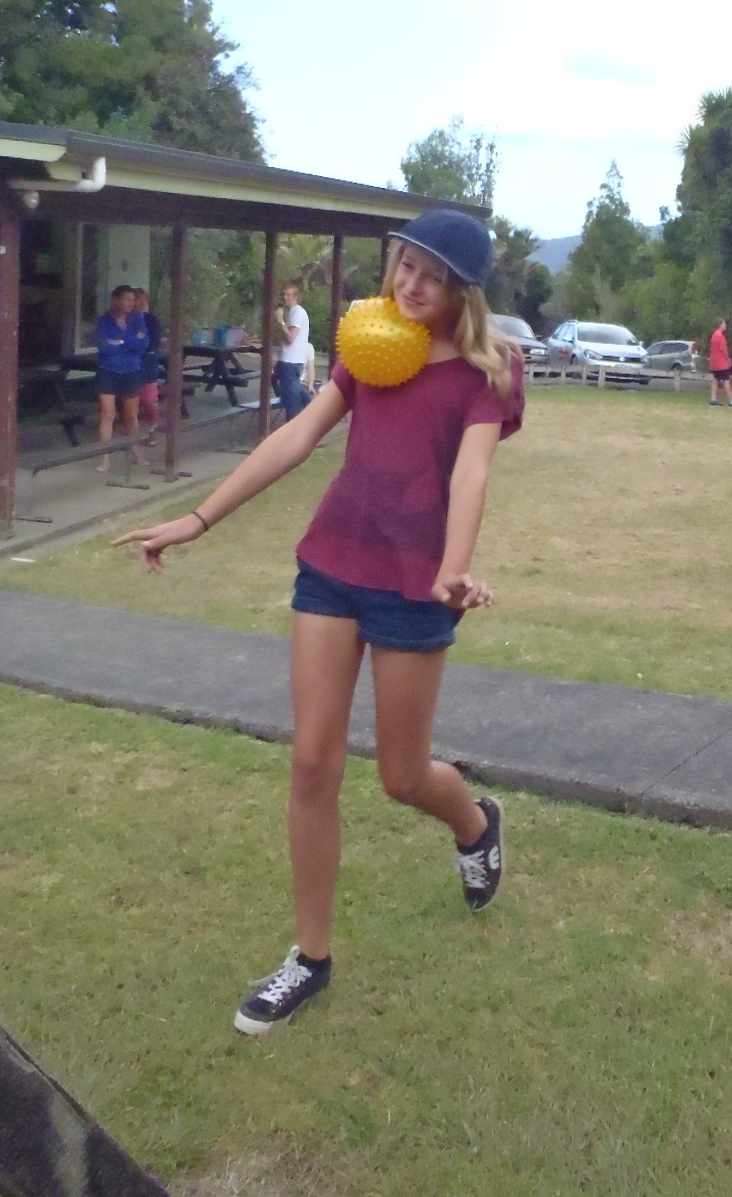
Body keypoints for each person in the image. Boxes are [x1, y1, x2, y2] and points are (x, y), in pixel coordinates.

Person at [115, 211, 524, 1035]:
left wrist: (454, 566)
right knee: (311, 762)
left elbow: (471, 474)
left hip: (415, 586)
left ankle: (476, 824)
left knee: (401, 777)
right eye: (405, 265)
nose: (411, 284)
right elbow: (298, 435)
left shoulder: (489, 369)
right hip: (332, 566)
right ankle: (310, 958)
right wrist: (199, 518)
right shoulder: (372, 346)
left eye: (432, 275)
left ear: (463, 291)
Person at [94, 284, 150, 472]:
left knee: (131, 416)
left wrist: (120, 341)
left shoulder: (138, 319)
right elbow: (104, 347)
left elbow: (143, 343)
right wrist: (130, 341)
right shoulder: (104, 320)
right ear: (116, 300)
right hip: (108, 370)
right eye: (127, 299)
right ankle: (105, 459)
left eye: (133, 299)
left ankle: (134, 451)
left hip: (131, 370)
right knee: (107, 414)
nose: (131, 303)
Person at [273, 281, 311, 421]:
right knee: (295, 392)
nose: (285, 298)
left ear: (296, 297)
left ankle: (294, 426)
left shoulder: (297, 313)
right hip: (288, 361)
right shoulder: (291, 313)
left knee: (291, 403)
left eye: (288, 295)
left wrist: (280, 321)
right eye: (283, 294)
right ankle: (313, 409)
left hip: (290, 362)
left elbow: (291, 338)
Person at [134, 288, 163, 445]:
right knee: (131, 402)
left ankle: (152, 429)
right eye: (134, 300)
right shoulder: (127, 319)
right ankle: (132, 435)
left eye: (139, 299)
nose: (136, 303)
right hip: (130, 367)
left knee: (150, 401)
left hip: (147, 367)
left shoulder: (152, 320)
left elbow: (153, 343)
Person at [707, 317, 732, 407]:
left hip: (714, 362)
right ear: (720, 325)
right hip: (721, 362)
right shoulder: (720, 336)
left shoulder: (714, 335)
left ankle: (713, 399)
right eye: (724, 323)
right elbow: (724, 350)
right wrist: (728, 359)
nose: (725, 325)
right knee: (726, 380)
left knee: (716, 379)